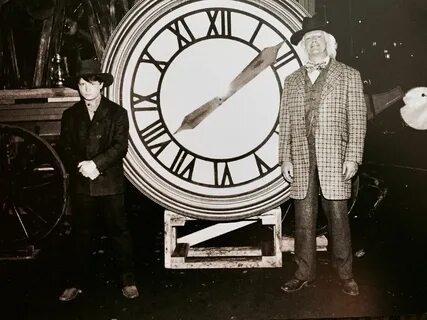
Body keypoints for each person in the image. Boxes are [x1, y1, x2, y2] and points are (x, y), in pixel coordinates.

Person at [278, 14, 367, 296]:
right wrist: (285, 158)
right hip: (302, 158)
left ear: (329, 43)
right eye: (308, 40)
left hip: (336, 158)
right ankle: (304, 273)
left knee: (338, 217)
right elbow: (286, 122)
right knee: (303, 220)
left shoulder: (349, 75)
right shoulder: (292, 80)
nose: (313, 43)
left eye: (318, 38)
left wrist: (353, 157)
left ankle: (345, 274)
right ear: (304, 47)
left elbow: (358, 119)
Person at [58, 58, 139, 301]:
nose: (86, 89)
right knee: (81, 234)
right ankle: (75, 282)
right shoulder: (70, 115)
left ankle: (128, 281)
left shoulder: (117, 113)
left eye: (91, 84)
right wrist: (81, 166)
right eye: (82, 84)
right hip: (82, 183)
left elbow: (120, 146)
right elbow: (66, 147)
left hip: (110, 183)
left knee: (119, 232)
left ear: (101, 85)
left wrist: (97, 164)